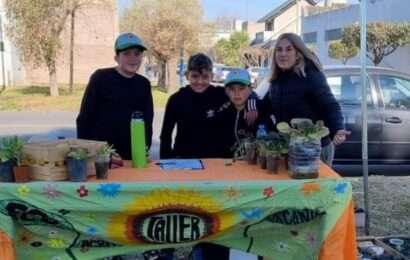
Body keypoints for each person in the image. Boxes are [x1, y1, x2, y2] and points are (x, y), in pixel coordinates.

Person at [263, 33, 350, 166]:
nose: (283, 54)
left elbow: (330, 105)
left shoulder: (311, 75)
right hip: (292, 148)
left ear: (298, 53)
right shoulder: (277, 80)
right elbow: (264, 107)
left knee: (314, 188)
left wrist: (337, 128)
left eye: (288, 49)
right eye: (279, 50)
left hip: (315, 150)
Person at [159, 53, 256, 159]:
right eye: (195, 76)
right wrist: (165, 161)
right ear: (187, 75)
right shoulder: (176, 100)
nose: (200, 82)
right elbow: (165, 135)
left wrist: (252, 105)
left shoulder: (221, 94)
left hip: (216, 160)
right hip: (185, 159)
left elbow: (248, 93)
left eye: (205, 77)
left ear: (212, 76)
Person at [76, 32, 154, 160]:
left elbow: (147, 120)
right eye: (126, 54)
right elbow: (85, 118)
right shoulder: (100, 78)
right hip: (102, 155)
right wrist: (88, 151)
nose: (133, 58)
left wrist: (144, 149)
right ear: (116, 58)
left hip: (132, 155)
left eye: (137, 53)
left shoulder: (143, 84)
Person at [214, 68, 274, 158]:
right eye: (232, 89)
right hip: (228, 165)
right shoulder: (223, 112)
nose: (236, 93)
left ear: (250, 89)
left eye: (241, 88)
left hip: (255, 166)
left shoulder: (261, 110)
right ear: (226, 91)